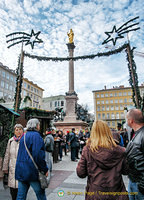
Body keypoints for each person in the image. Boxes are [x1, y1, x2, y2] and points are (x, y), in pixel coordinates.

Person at [76, 120, 129, 200]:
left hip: (95, 194)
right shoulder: (121, 150)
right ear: (108, 132)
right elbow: (126, 171)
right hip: (117, 193)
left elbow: (81, 173)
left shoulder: (88, 150)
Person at [15, 118, 48, 200]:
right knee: (40, 195)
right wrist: (44, 169)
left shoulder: (24, 136)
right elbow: (38, 156)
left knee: (20, 196)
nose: (39, 126)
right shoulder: (37, 136)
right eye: (39, 124)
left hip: (21, 171)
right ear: (36, 126)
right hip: (32, 172)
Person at [126, 109, 144, 200]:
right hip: (133, 180)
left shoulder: (142, 134)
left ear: (131, 120)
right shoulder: (135, 133)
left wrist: (142, 186)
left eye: (127, 119)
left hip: (140, 185)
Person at [2, 124, 24, 200]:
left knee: (21, 191)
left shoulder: (25, 140)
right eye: (16, 129)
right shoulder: (11, 141)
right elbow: (7, 154)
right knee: (12, 191)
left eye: (20, 129)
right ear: (14, 131)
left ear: (22, 130)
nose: (18, 131)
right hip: (12, 169)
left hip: (21, 169)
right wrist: (5, 167)